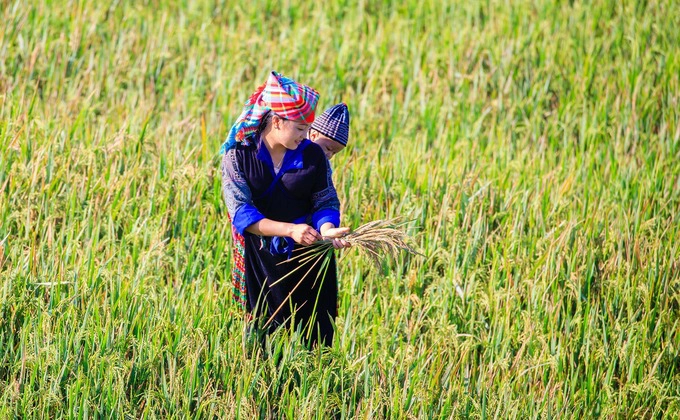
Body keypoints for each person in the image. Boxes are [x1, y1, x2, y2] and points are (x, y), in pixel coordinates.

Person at [221, 71, 350, 347]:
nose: (307, 137)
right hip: (261, 259)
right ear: (277, 121)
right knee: (263, 337)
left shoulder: (312, 156)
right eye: (301, 129)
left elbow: (324, 200)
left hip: (308, 255)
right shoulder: (238, 157)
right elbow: (242, 213)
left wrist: (327, 228)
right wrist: (290, 230)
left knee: (313, 339)